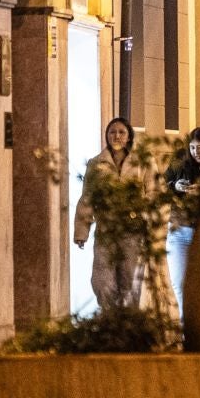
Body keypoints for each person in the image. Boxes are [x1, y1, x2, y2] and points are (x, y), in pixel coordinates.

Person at [74, 116, 154, 310]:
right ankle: (109, 320)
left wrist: (144, 213)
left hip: (132, 230)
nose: (116, 136)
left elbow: (154, 191)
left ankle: (129, 324)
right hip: (106, 232)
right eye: (112, 132)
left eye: (121, 132)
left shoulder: (142, 161)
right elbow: (87, 198)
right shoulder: (96, 163)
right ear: (106, 136)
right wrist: (81, 232)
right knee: (102, 281)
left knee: (130, 280)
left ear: (129, 136)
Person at [165, 126, 200, 321]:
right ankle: (186, 328)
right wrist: (176, 186)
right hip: (180, 229)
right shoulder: (181, 163)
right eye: (193, 147)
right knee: (180, 284)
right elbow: (163, 185)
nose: (197, 152)